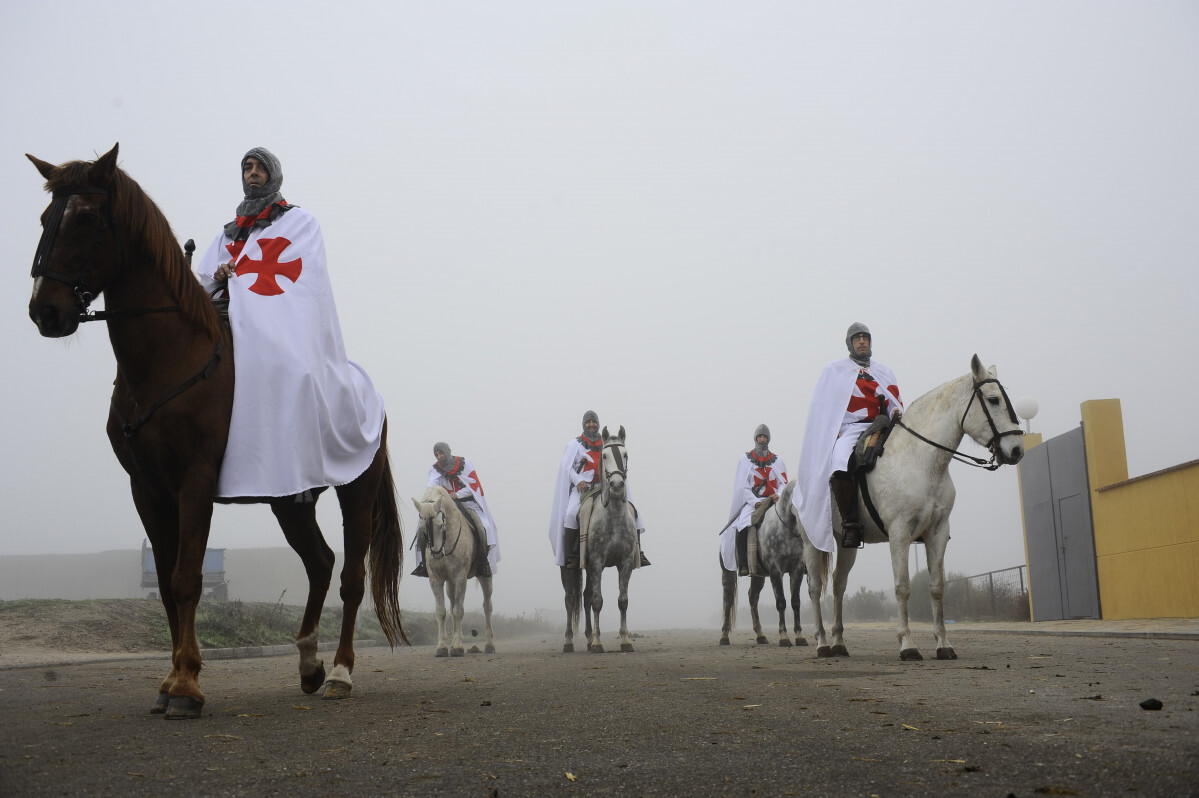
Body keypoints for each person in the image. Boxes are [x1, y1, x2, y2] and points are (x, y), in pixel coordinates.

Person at [194, 147, 385, 501]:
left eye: (260, 167)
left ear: (273, 174)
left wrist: (243, 279)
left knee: (297, 372)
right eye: (247, 167)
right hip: (227, 314)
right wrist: (221, 275)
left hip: (273, 317)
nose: (252, 173)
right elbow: (206, 278)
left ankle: (299, 465)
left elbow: (305, 281)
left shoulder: (299, 222)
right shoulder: (229, 233)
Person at [793, 323, 902, 551]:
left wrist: (895, 412)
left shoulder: (884, 372)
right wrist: (834, 431)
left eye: (865, 337)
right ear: (850, 344)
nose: (862, 341)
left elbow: (894, 402)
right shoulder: (835, 370)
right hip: (851, 428)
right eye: (857, 338)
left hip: (882, 426)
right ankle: (850, 523)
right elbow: (823, 407)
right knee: (840, 461)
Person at [548, 411, 649, 569]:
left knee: (632, 510)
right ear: (584, 424)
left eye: (593, 422)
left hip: (605, 486)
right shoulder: (575, 445)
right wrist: (579, 480)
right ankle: (571, 556)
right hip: (584, 488)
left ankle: (637, 552)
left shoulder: (606, 443)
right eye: (588, 422)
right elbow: (567, 467)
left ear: (598, 424)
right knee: (570, 515)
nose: (591, 425)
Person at [411, 442, 500, 578]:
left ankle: (483, 562)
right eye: (436, 454)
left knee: (484, 527)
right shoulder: (435, 469)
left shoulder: (465, 464)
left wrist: (457, 494)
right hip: (446, 505)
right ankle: (424, 563)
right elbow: (432, 486)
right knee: (423, 526)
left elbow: (474, 487)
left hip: (467, 503)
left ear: (447, 452)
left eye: (441, 453)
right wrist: (428, 499)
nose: (439, 457)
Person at [720, 424, 788, 576]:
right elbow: (742, 486)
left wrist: (779, 494)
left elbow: (784, 483)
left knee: (793, 518)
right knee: (742, 524)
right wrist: (754, 501)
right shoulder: (745, 460)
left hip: (774, 501)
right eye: (760, 437)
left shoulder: (778, 461)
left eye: (765, 437)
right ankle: (744, 564)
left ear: (768, 439)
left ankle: (800, 561)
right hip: (755, 502)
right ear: (755, 438)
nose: (762, 439)